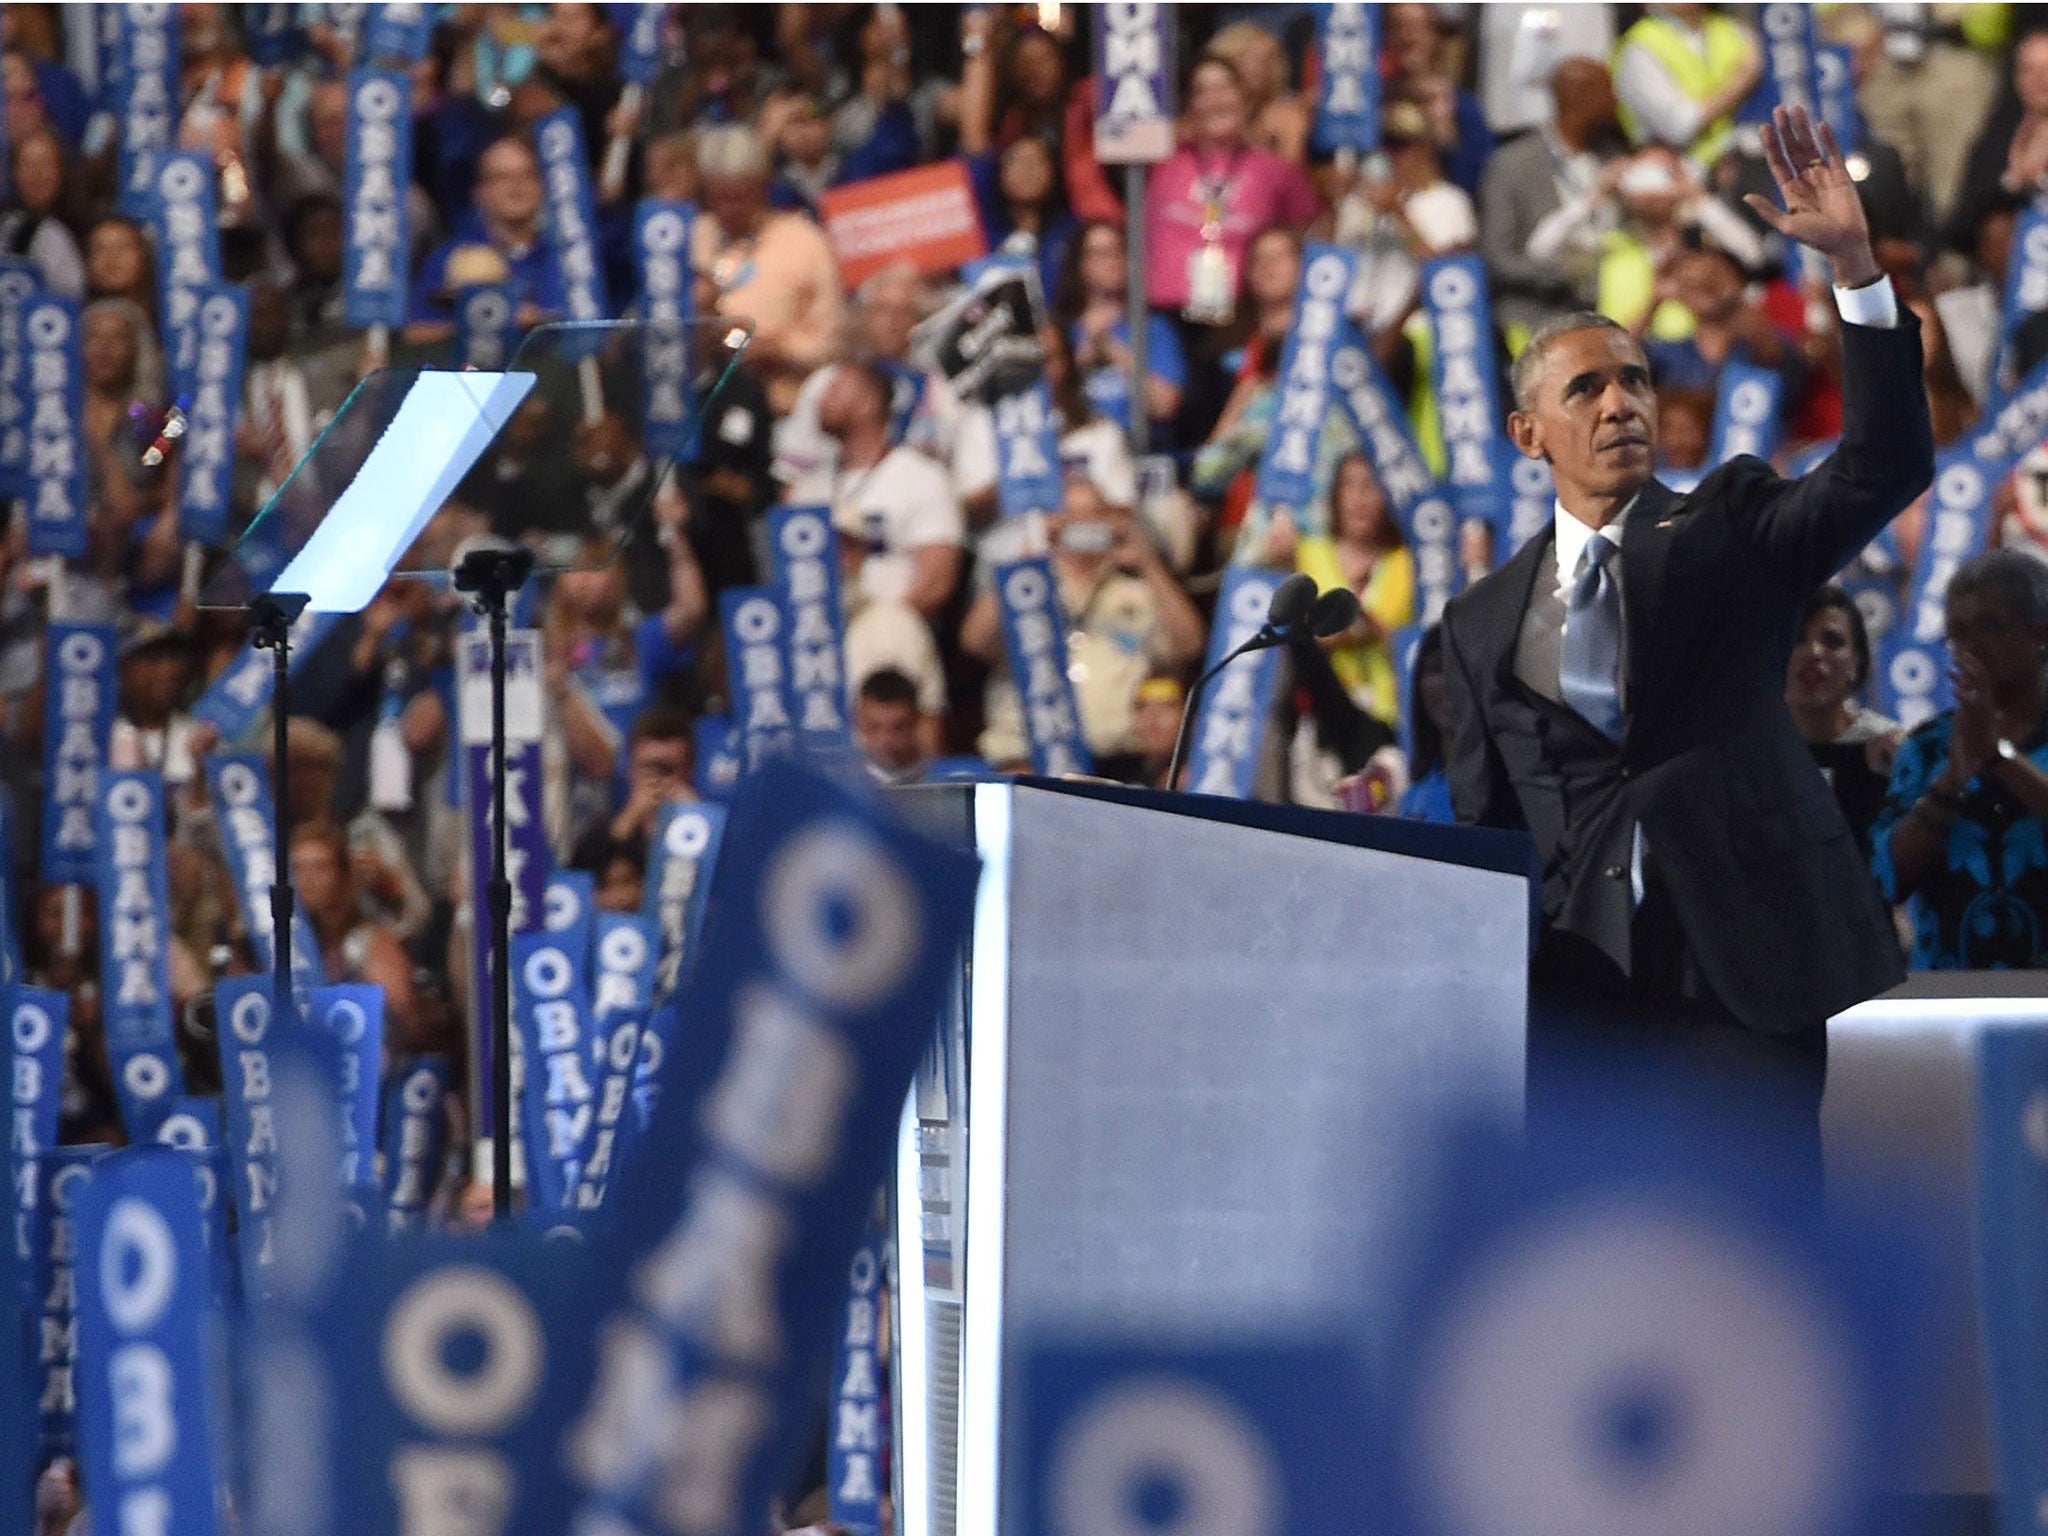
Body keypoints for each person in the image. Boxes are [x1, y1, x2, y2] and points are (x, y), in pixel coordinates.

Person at [1439, 108, 1932, 1175]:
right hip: (1573, 1006)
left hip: (1738, 974)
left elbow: (1880, 466)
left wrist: (1852, 267)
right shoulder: (1475, 622)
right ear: (1528, 435)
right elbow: (1487, 832)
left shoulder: (1727, 520)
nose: (1619, 404)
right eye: (1585, 389)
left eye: (1632, 381)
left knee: (1762, 1279)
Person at [1874, 551, 2048, 970]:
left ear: (2040, 632)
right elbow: (1886, 880)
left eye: (1988, 625)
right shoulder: (1927, 747)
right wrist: (1950, 780)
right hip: (1951, 1000)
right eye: (1957, 633)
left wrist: (1998, 756)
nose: (1970, 647)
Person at [1143, 55, 1317, 329]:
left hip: (1241, 318)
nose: (1215, 99)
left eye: (1225, 88)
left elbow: (1305, 228)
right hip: (1162, 316)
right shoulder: (1159, 158)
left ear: (1246, 100)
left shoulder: (1274, 169)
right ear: (1188, 105)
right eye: (1203, 91)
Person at [691, 123, 846, 413]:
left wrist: (779, 350)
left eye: (738, 197)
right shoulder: (695, 235)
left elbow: (833, 343)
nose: (727, 209)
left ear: (763, 188)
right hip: (701, 404)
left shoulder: (805, 241)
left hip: (780, 407)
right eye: (717, 197)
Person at [1480, 57, 1626, 336]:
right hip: (1535, 320)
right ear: (1577, 98)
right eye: (1606, 91)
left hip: (1611, 316)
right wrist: (1565, 274)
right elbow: (1498, 257)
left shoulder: (1612, 157)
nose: (1615, 100)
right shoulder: (1512, 164)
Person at [1787, 585, 1902, 862]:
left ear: (1857, 663)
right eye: (1797, 639)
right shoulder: (1754, 752)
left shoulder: (1890, 748)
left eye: (1833, 641)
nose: (1814, 651)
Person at [1055, 219, 1187, 441]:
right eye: (1100, 254)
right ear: (1080, 264)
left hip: (1138, 448)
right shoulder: (1061, 330)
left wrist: (1115, 351)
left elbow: (1164, 406)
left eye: (1118, 251)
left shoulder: (1154, 328)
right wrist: (1079, 359)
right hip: (1077, 447)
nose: (1112, 261)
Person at [1611, 4, 1764, 169]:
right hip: (1683, 173)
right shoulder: (1638, 47)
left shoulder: (1733, 29)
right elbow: (1680, 126)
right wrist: (1743, 78)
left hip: (1749, 155)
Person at [854, 667, 929, 787]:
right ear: (858, 719)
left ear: (917, 720)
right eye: (874, 727)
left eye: (898, 728)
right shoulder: (841, 787)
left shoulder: (942, 781)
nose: (886, 740)